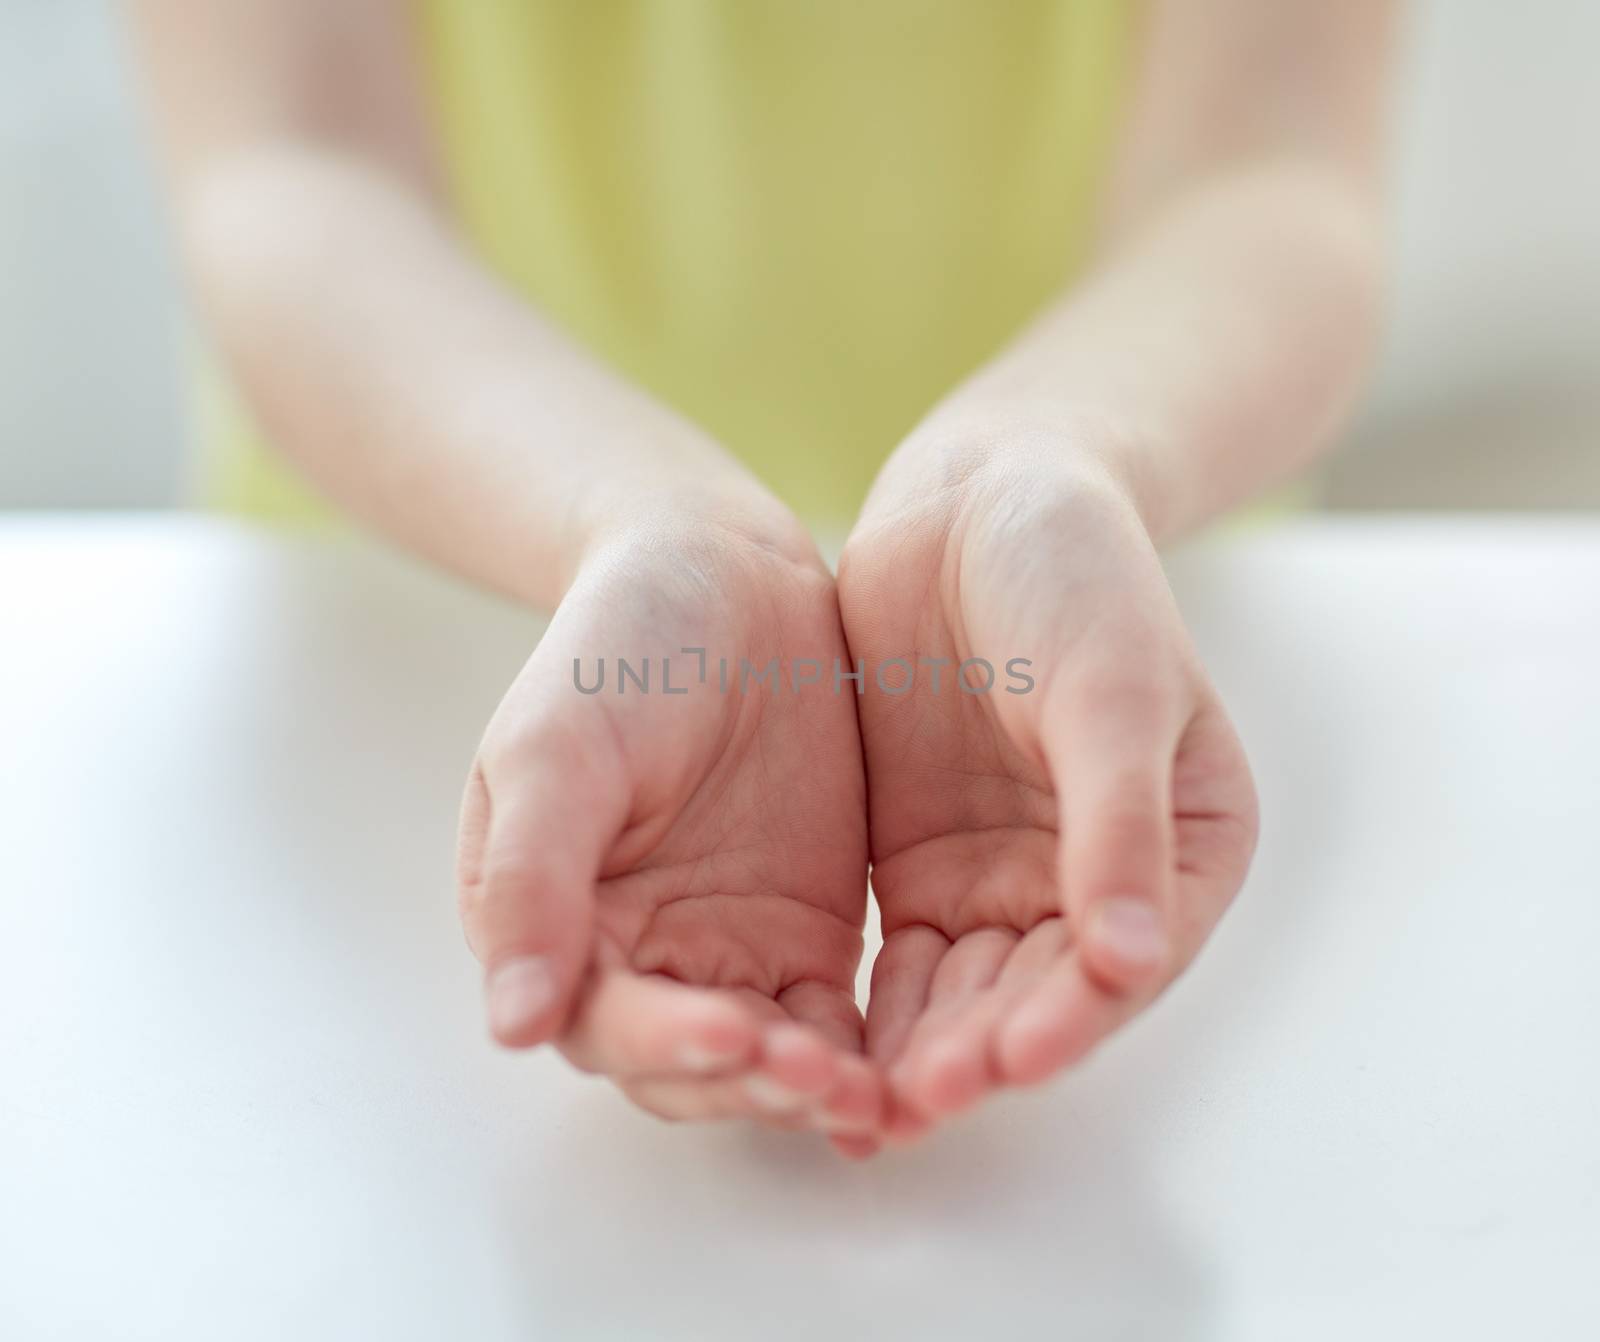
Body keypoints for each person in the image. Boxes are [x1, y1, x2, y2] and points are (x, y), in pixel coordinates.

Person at [129, 0, 1394, 1157]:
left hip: (1128, 591)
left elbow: (1269, 173)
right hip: (417, 589)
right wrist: (632, 520)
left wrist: (1045, 465)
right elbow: (290, 168)